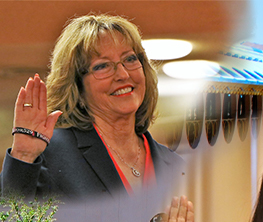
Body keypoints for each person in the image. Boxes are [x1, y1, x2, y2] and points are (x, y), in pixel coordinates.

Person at [0, 14, 184, 202]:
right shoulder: (49, 153)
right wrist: (23, 155)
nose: (122, 74)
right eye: (102, 66)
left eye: (129, 59)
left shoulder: (176, 166)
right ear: (77, 88)